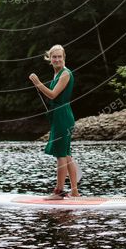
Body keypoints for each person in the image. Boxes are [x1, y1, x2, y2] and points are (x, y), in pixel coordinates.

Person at [29, 44, 79, 199]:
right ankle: (75, 191)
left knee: (60, 154)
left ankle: (59, 192)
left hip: (63, 116)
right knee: (67, 154)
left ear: (64, 58)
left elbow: (52, 95)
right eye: (54, 57)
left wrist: (37, 82)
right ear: (50, 59)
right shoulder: (57, 74)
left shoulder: (65, 74)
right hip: (61, 116)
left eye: (59, 56)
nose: (57, 59)